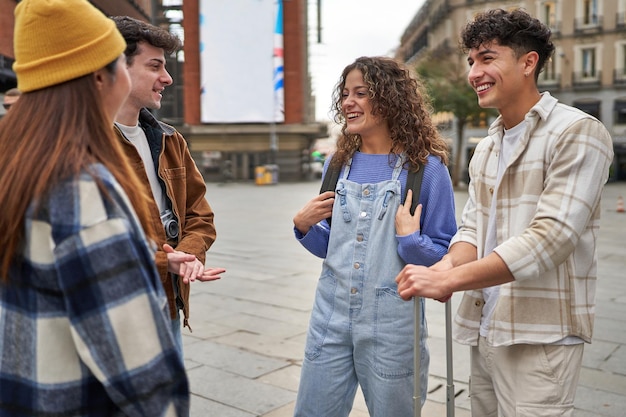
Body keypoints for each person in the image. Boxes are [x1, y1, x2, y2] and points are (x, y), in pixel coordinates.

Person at [395, 8, 614, 417]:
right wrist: (444, 270)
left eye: (488, 58)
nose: (474, 72)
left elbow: (550, 239)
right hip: (487, 325)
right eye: (471, 61)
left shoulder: (577, 132)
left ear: (528, 62)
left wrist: (452, 280)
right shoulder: (489, 144)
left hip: (540, 333)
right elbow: (473, 228)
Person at [0, 0, 189, 415]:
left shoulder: (14, 163)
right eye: (119, 63)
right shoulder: (83, 190)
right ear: (99, 78)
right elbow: (141, 369)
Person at [292, 56, 457, 416]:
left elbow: (446, 256)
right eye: (346, 94)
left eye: (361, 93)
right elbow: (335, 247)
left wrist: (411, 242)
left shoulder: (427, 169)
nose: (348, 102)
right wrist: (304, 227)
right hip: (328, 317)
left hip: (393, 326)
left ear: (390, 99)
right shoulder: (337, 164)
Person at [111, 16, 225, 354]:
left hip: (167, 302)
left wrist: (187, 254)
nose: (168, 78)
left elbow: (199, 215)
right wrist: (165, 261)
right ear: (118, 66)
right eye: (155, 66)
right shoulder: (85, 145)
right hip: (116, 310)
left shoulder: (170, 140)